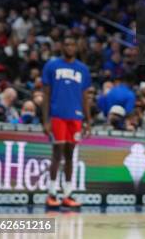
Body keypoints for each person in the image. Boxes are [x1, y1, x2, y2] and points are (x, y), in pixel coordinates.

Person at [42, 34, 91, 208]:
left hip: (75, 117)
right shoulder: (52, 65)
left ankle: (68, 194)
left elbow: (85, 97)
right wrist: (45, 119)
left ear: (76, 48)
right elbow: (46, 94)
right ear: (62, 47)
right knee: (57, 154)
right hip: (57, 115)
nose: (70, 47)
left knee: (70, 156)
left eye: (72, 44)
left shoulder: (83, 69)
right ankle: (52, 193)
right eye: (67, 44)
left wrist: (88, 120)